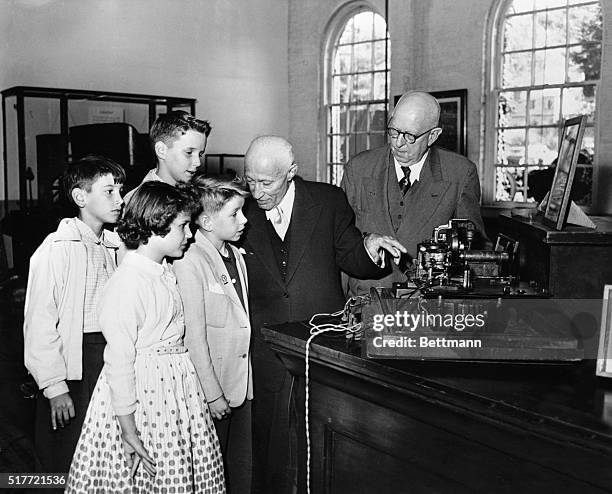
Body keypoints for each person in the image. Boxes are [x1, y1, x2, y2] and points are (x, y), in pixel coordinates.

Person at [241, 135, 406, 493]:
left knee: (321, 436)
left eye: (266, 182)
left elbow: (350, 255)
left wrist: (370, 247)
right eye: (250, 180)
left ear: (292, 173)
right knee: (269, 440)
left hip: (319, 339)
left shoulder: (327, 201)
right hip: (264, 343)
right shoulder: (240, 209)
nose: (257, 192)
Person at [65, 182, 225, 493]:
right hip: (143, 399)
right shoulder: (129, 282)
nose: (190, 235)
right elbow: (119, 362)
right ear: (156, 225)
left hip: (176, 392)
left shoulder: (162, 270)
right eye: (183, 226)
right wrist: (128, 429)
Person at [23, 155, 125, 473]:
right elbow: (40, 321)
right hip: (73, 366)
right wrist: (54, 387)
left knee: (102, 456)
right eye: (109, 191)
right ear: (80, 197)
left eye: (120, 191)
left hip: (107, 360)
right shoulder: (57, 248)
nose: (119, 200)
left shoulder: (114, 246)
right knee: (66, 458)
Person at [341, 90, 486, 296]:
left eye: (410, 136)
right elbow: (340, 244)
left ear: (433, 136)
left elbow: (471, 250)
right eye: (393, 131)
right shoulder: (358, 168)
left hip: (428, 306)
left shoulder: (461, 174)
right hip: (365, 301)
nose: (398, 143)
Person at [174, 175, 253, 493]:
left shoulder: (236, 255)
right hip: (211, 390)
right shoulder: (190, 261)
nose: (244, 220)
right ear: (205, 221)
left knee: (236, 467)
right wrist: (212, 393)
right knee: (207, 473)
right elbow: (194, 337)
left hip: (240, 383)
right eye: (235, 213)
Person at [123, 110, 210, 204]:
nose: (198, 162)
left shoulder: (197, 193)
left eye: (200, 154)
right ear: (161, 150)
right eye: (189, 153)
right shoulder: (138, 202)